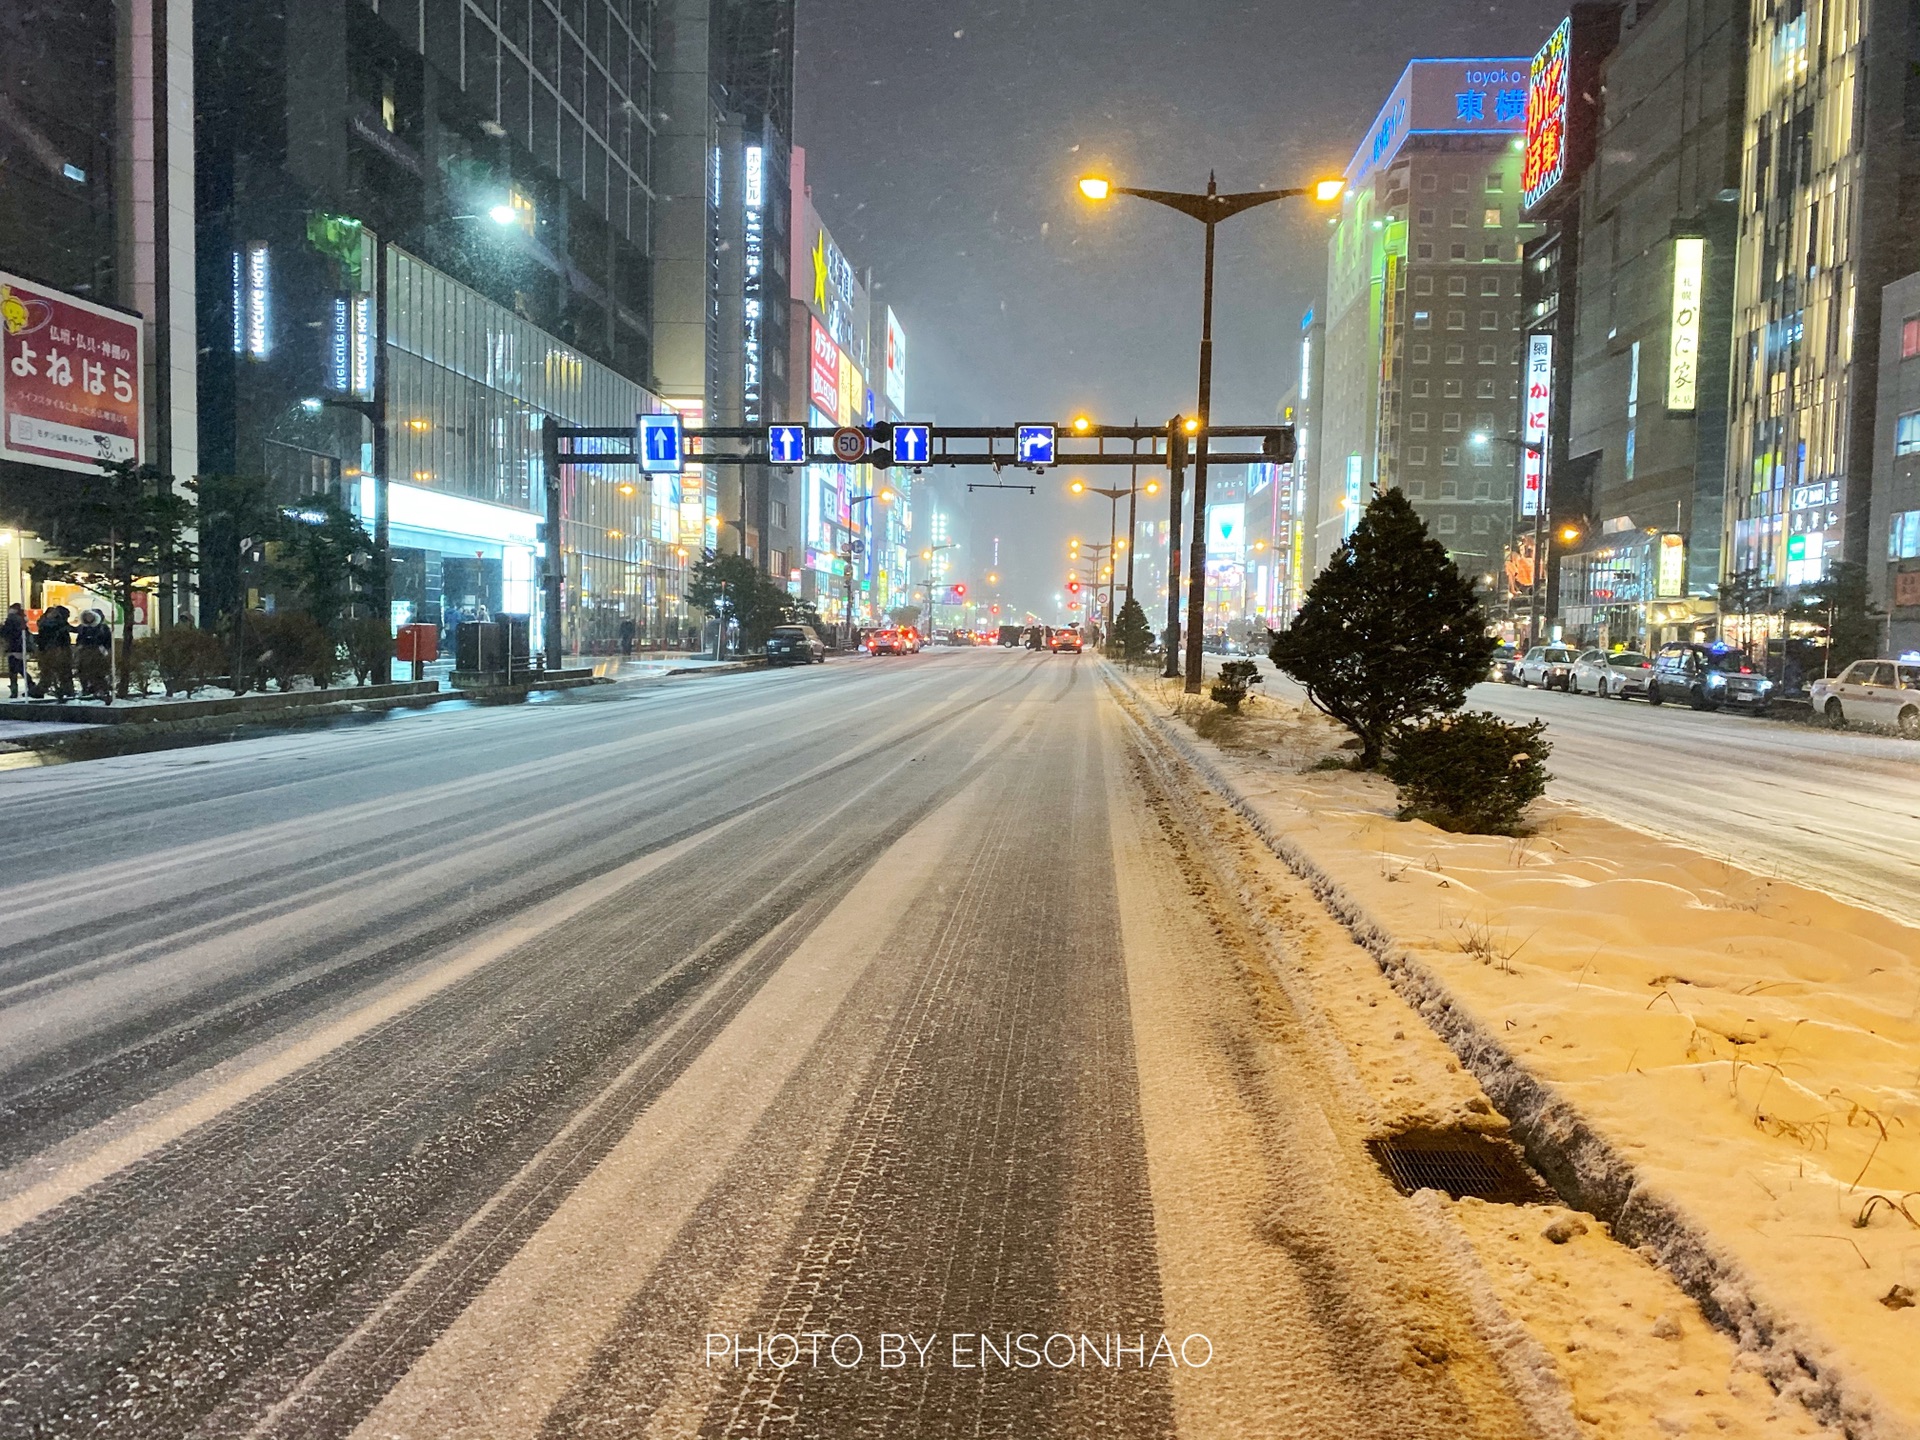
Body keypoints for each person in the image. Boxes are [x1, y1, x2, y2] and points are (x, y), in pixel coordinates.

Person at [33, 605, 73, 701]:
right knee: (59, 671)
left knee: (53, 671)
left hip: (52, 648)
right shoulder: (57, 624)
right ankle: (64, 689)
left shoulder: (46, 623)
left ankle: (46, 689)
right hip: (54, 649)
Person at [75, 609, 114, 703]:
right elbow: (79, 639)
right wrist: (80, 645)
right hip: (84, 652)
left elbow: (108, 640)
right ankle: (86, 688)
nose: (89, 618)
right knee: (83, 671)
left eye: (91, 616)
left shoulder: (102, 628)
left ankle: (100, 689)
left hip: (97, 652)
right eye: (87, 616)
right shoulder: (82, 627)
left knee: (97, 671)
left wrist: (104, 648)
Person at [2, 603, 27, 698]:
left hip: (13, 647)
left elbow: (7, 632)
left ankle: (14, 691)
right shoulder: (21, 619)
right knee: (20, 668)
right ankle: (30, 685)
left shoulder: (11, 619)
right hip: (20, 647)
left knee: (14, 670)